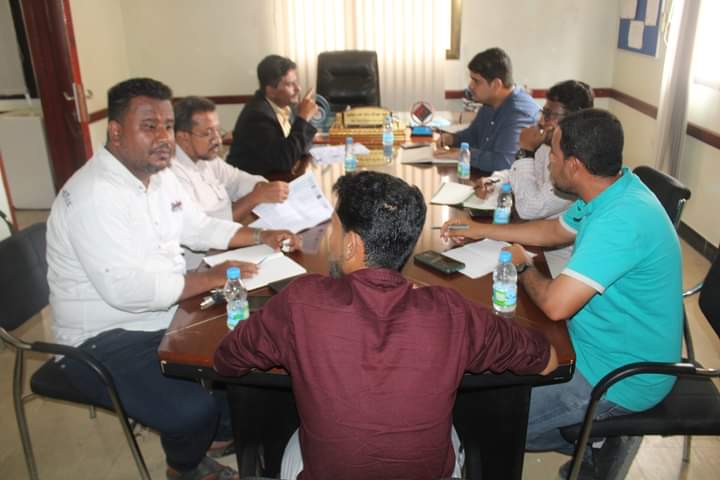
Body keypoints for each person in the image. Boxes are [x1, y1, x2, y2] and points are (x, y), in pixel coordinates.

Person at [214, 171, 558, 480]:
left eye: (334, 227)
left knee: (296, 435)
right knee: (451, 431)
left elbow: (227, 359)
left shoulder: (301, 302)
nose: (330, 236)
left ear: (352, 244)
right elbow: (548, 360)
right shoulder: (451, 311)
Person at [46, 78, 299, 480]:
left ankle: (218, 434)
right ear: (115, 131)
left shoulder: (158, 176)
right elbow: (128, 291)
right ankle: (184, 466)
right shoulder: (95, 195)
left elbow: (198, 227)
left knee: (249, 357)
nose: (163, 137)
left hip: (164, 312)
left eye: (167, 125)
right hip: (102, 337)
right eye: (150, 126)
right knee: (193, 408)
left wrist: (258, 236)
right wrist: (212, 277)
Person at [442, 109, 683, 477]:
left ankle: (603, 439)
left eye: (552, 154)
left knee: (488, 422)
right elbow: (552, 231)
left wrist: (522, 266)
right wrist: (481, 229)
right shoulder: (609, 188)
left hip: (618, 377)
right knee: (489, 400)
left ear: (574, 165)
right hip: (591, 343)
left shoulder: (622, 220)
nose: (548, 161)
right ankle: (594, 437)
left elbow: (555, 305)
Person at [474, 80, 595, 277]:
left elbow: (529, 208)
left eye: (550, 115)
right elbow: (522, 174)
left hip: (560, 262)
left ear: (573, 119)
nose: (542, 121)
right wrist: (494, 182)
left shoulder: (575, 166)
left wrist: (526, 151)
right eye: (543, 112)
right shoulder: (548, 146)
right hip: (536, 242)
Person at [172, 96, 291, 268]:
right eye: (207, 133)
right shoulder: (173, 174)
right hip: (203, 264)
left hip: (231, 245)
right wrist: (255, 197)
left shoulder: (207, 158)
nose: (217, 140)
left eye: (217, 130)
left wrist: (263, 187)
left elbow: (237, 179)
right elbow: (207, 229)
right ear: (183, 137)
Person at [440, 47, 539, 172]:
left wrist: (464, 154)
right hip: (486, 178)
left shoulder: (519, 113)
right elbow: (473, 135)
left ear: (496, 85)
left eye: (476, 81)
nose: (470, 86)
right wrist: (451, 139)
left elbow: (504, 162)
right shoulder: (490, 103)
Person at [226, 55, 318, 176]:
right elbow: (285, 160)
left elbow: (304, 145)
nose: (298, 88)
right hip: (251, 182)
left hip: (277, 176)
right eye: (290, 84)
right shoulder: (257, 116)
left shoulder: (287, 105)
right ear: (271, 91)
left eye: (296, 82)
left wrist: (303, 119)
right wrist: (303, 118)